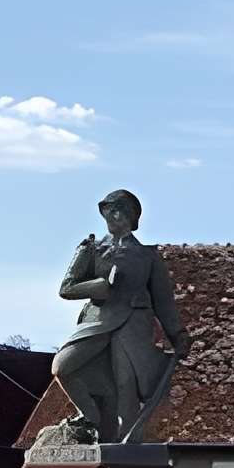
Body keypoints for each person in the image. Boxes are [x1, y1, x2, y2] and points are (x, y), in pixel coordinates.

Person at [53, 189, 187, 445]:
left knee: (126, 387)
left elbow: (163, 302)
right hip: (98, 321)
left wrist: (177, 334)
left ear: (131, 218)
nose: (113, 216)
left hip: (133, 324)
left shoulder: (147, 256)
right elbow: (67, 288)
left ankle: (125, 445)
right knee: (63, 366)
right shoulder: (92, 249)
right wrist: (99, 286)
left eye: (119, 211)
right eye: (109, 210)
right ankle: (89, 416)